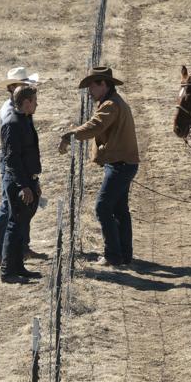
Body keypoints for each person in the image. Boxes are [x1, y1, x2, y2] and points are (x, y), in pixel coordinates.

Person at [59, 65, 139, 268]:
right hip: (123, 163)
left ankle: (112, 255)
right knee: (119, 209)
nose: (89, 91)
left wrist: (72, 134)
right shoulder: (111, 102)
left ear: (103, 84)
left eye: (91, 86)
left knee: (103, 207)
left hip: (120, 164)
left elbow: (96, 126)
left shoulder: (110, 105)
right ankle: (123, 255)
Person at [0, 67, 47, 265]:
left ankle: (20, 248)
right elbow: (12, 151)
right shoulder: (10, 113)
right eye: (24, 84)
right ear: (14, 87)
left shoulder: (20, 111)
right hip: (12, 163)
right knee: (10, 206)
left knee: (19, 207)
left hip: (19, 163)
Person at [0, 85, 44, 284]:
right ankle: (8, 271)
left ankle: (18, 267)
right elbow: (12, 159)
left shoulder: (25, 119)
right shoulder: (13, 124)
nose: (37, 104)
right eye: (34, 101)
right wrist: (25, 186)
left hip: (28, 180)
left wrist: (34, 181)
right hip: (18, 183)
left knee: (21, 224)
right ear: (26, 103)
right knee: (14, 224)